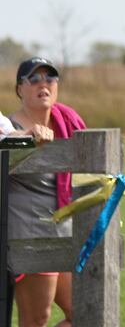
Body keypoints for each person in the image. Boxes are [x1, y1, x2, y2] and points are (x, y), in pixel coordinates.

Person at [7, 57, 86, 327]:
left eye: (50, 78)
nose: (44, 84)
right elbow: (6, 146)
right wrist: (27, 137)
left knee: (86, 313)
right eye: (34, 79)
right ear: (20, 88)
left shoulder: (68, 123)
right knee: (36, 320)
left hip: (66, 234)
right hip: (31, 235)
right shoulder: (8, 127)